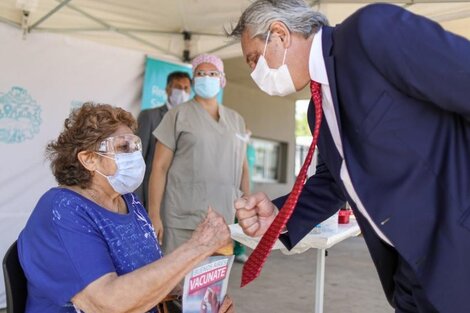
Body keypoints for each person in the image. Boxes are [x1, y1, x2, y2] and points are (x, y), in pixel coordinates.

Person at [229, 1, 470, 312]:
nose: (254, 73)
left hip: (457, 250)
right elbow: (333, 183)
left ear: (280, 34)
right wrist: (279, 217)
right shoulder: (318, 106)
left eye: (253, 59)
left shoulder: (371, 32)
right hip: (409, 275)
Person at [17, 103, 234, 313]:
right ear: (89, 159)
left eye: (135, 146)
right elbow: (106, 304)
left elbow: (147, 275)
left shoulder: (129, 202)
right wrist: (198, 246)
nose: (134, 155)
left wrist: (194, 297)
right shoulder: (63, 210)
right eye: (123, 147)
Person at [148, 54, 250, 253]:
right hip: (182, 219)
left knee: (214, 281)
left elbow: (243, 169)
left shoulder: (236, 120)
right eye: (200, 73)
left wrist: (247, 208)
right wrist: (154, 213)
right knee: (178, 281)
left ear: (222, 80)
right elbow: (159, 167)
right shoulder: (177, 115)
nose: (206, 77)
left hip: (223, 219)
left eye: (212, 73)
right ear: (194, 80)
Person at [135, 71, 192, 208]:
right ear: (167, 89)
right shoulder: (149, 116)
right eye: (178, 87)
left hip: (179, 200)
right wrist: (137, 203)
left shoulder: (192, 121)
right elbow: (138, 161)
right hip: (152, 197)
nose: (182, 92)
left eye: (186, 88)